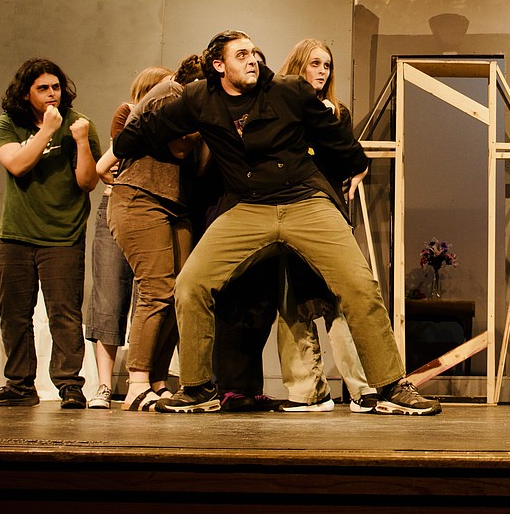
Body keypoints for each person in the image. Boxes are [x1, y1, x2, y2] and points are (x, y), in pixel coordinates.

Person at [112, 30, 440, 415]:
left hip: (304, 199)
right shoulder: (200, 99)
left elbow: (335, 137)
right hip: (248, 208)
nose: (252, 60)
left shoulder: (288, 90)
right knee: (190, 284)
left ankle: (390, 386)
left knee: (358, 285)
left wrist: (355, 164)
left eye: (253, 52)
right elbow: (145, 128)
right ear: (218, 66)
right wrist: (123, 146)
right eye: (241, 55)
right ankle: (198, 387)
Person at [214, 39, 377, 413]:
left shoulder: (338, 111)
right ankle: (307, 391)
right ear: (299, 67)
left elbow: (347, 154)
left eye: (327, 66)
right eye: (315, 64)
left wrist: (357, 169)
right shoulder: (277, 105)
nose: (322, 71)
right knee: (291, 300)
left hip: (323, 212)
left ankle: (362, 388)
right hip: (281, 210)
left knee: (341, 297)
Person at [0, 58, 102, 408]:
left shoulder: (80, 125)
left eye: (56, 87)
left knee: (65, 313)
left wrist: (79, 142)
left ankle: (69, 386)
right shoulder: (9, 124)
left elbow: (87, 181)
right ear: (26, 93)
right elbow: (17, 165)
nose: (52, 95)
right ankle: (20, 385)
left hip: (62, 236)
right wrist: (46, 131)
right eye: (43, 89)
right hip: (16, 235)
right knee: (14, 313)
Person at [96, 54, 207, 410]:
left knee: (182, 293)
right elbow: (177, 146)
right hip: (140, 198)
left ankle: (158, 379)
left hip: (175, 205)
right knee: (156, 288)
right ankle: (137, 381)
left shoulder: (193, 103)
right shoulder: (169, 92)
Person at [84, 65, 171, 409]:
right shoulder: (128, 114)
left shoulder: (172, 124)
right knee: (109, 294)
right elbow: (109, 166)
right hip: (117, 209)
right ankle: (105, 385)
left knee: (153, 295)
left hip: (153, 211)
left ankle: (149, 379)